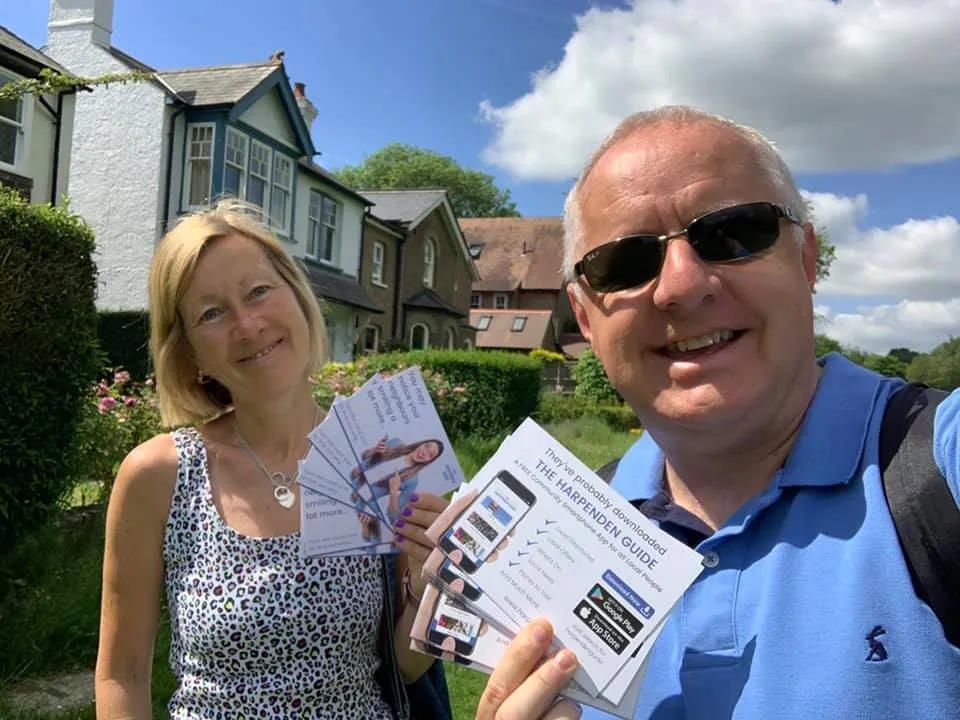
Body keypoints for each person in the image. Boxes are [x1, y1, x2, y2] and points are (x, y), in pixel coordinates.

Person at [478, 106, 960, 719]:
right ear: (585, 317)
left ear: (806, 259)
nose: (681, 284)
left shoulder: (936, 466)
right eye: (625, 263)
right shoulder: (572, 534)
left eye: (734, 233)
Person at [94, 200, 449, 720]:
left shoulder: (380, 452)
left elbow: (403, 667)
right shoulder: (158, 476)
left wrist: (426, 584)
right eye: (211, 313)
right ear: (189, 351)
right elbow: (120, 675)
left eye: (259, 291)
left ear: (298, 298)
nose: (247, 323)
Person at [353, 437, 444, 523]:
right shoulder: (395, 443)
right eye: (427, 446)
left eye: (430, 455)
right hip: (353, 478)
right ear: (422, 443)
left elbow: (393, 517)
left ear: (429, 461)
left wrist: (394, 492)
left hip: (360, 504)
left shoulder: (412, 480)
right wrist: (374, 450)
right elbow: (364, 455)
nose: (424, 453)